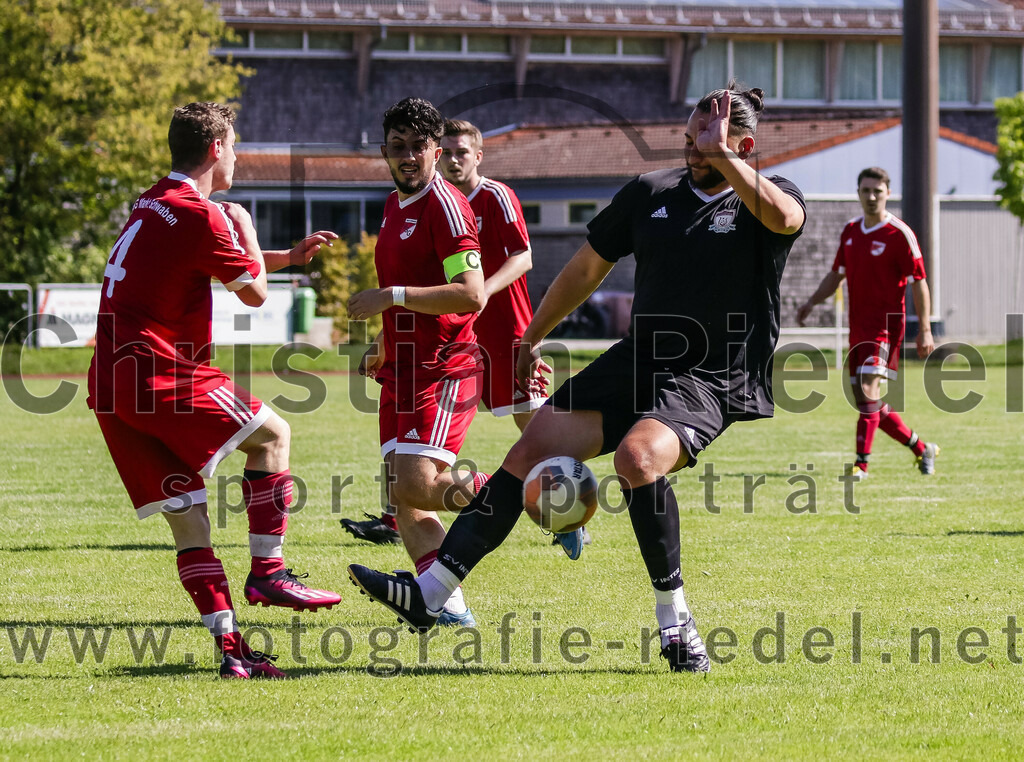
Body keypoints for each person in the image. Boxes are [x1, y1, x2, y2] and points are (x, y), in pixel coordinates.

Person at [348, 84, 807, 673]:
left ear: (742, 146)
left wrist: (723, 156)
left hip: (711, 374)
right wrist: (531, 335)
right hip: (637, 361)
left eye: (709, 140)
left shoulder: (769, 194)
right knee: (529, 450)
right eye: (691, 137)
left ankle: (676, 625)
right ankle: (430, 594)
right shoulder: (651, 192)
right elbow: (587, 268)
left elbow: (784, 219)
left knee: (638, 460)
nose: (695, 148)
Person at [88, 102, 341, 680]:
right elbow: (253, 294)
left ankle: (232, 653)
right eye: (235, 146)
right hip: (157, 372)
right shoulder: (202, 214)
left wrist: (283, 257)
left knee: (190, 521)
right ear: (216, 149)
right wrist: (247, 226)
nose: (238, 157)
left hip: (111, 385)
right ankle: (269, 572)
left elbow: (208, 263)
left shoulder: (153, 201)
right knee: (273, 435)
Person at [341, 118, 591, 557]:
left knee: (533, 428)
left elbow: (522, 257)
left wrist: (492, 300)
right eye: (450, 152)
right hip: (441, 334)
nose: (454, 160)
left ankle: (561, 504)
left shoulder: (490, 197)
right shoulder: (404, 202)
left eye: (461, 152)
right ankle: (401, 522)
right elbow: (412, 282)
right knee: (410, 468)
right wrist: (383, 341)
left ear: (476, 156)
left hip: (501, 328)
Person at [346, 97, 489, 628]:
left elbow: (470, 294)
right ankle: (446, 605)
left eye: (417, 147)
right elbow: (405, 284)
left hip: (444, 367)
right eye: (397, 146)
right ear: (384, 151)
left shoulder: (446, 207)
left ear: (435, 150)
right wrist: (385, 340)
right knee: (403, 496)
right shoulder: (393, 205)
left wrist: (390, 298)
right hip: (402, 368)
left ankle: (532, 489)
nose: (407, 157)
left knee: (415, 485)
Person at [797, 166, 939, 479]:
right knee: (867, 401)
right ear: (858, 193)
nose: (872, 196)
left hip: (886, 327)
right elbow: (836, 275)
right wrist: (811, 302)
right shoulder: (850, 231)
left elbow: (919, 282)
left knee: (867, 391)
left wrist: (925, 328)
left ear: (888, 193)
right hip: (858, 328)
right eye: (866, 191)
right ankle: (922, 448)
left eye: (878, 191)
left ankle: (861, 466)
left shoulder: (899, 234)